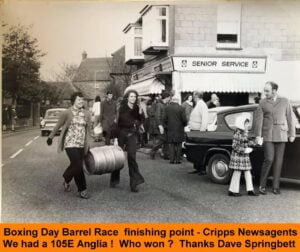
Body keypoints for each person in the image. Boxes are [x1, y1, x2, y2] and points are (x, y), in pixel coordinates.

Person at [46, 92, 92, 199]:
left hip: (81, 144)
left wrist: (87, 143)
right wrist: (50, 137)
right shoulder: (67, 113)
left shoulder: (86, 113)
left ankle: (66, 179)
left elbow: (88, 130)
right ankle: (82, 189)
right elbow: (58, 125)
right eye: (79, 100)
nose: (81, 101)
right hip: (70, 143)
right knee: (78, 165)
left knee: (75, 165)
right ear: (73, 101)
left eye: (82, 100)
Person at [255, 81, 295, 195]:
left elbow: (290, 118)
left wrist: (292, 134)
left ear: (274, 91)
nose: (265, 93)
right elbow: (258, 120)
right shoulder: (262, 102)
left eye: (267, 91)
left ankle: (275, 187)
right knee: (269, 159)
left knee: (279, 161)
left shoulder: (285, 101)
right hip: (268, 135)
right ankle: (262, 185)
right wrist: (258, 135)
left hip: (282, 135)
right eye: (264, 90)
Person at [110, 89, 145, 193]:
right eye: (131, 96)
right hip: (121, 133)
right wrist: (115, 139)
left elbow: (140, 121)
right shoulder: (121, 108)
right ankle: (114, 179)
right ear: (127, 98)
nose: (133, 98)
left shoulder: (137, 108)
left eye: (135, 97)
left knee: (132, 157)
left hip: (132, 134)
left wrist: (140, 115)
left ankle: (134, 183)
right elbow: (116, 124)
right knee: (118, 158)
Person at [228, 114, 258, 197]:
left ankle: (250, 190)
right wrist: (244, 150)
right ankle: (232, 190)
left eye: (248, 123)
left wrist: (254, 143)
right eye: (246, 123)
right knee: (237, 172)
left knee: (247, 172)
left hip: (243, 156)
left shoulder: (244, 132)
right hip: (239, 156)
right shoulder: (237, 133)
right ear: (241, 124)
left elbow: (245, 142)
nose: (248, 125)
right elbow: (234, 146)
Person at [164, 97, 187, 164]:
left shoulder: (167, 108)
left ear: (172, 101)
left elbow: (164, 119)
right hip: (179, 129)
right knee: (179, 145)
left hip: (170, 129)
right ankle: (178, 160)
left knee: (171, 145)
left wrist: (167, 126)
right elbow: (184, 120)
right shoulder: (181, 108)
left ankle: (171, 160)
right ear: (178, 101)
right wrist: (184, 125)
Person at [149, 92, 171, 160]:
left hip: (164, 125)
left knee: (166, 140)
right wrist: (160, 125)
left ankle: (166, 154)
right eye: (169, 97)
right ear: (166, 97)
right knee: (162, 140)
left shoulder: (164, 104)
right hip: (161, 125)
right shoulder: (160, 105)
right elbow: (157, 116)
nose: (170, 99)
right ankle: (153, 152)